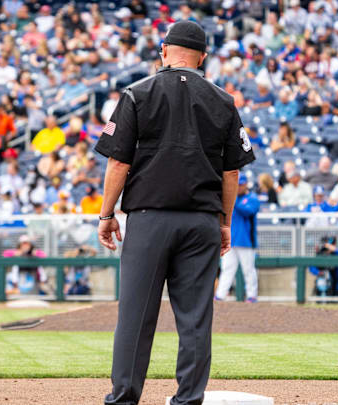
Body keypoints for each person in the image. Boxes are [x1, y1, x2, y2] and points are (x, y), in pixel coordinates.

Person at [94, 22, 254, 405]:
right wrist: (224, 222)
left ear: (163, 50)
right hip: (201, 221)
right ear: (203, 57)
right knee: (196, 318)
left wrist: (106, 214)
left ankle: (124, 398)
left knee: (135, 316)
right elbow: (231, 171)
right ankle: (187, 400)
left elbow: (118, 163)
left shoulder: (137, 93)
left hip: (149, 218)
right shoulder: (224, 100)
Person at [215, 174, 260, 302]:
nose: (238, 187)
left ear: (245, 184)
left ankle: (251, 296)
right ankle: (220, 295)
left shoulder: (252, 198)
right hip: (231, 241)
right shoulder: (230, 199)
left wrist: (232, 200)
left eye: (240, 185)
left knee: (248, 269)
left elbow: (249, 211)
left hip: (246, 241)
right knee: (227, 268)